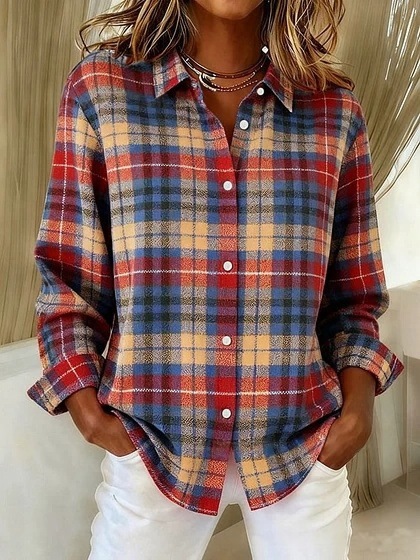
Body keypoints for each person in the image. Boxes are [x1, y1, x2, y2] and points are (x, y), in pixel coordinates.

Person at [27, 0, 404, 558]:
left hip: (303, 444)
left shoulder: (332, 111)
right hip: (153, 446)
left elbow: (353, 295)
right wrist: (87, 410)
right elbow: (69, 277)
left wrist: (358, 414)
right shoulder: (102, 92)